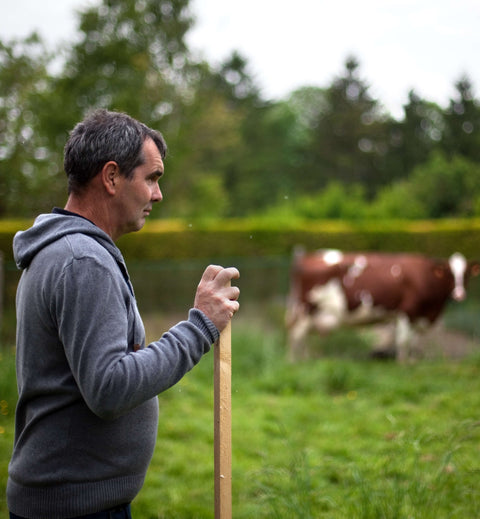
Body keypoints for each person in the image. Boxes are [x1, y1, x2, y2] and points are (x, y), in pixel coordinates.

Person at [7, 109, 240, 518]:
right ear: (112, 177)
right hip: (76, 508)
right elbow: (110, 387)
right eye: (151, 178)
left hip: (71, 499)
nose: (157, 194)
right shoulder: (82, 260)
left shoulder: (63, 251)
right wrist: (200, 326)